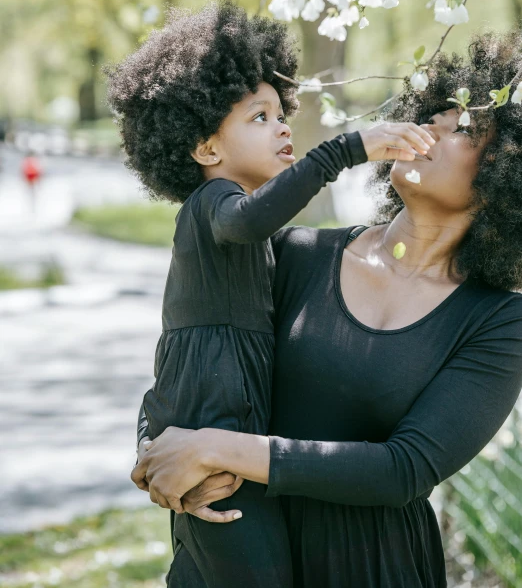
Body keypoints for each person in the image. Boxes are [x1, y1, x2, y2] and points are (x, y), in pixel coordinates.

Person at [133, 29, 522, 588]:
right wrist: (158, 451)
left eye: (461, 130)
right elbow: (192, 355)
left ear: (503, 178)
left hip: (368, 566)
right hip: (242, 540)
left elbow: (403, 470)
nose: (429, 128)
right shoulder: (295, 253)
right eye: (434, 115)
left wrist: (220, 448)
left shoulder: (498, 322)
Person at [107, 0, 435, 588]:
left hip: (236, 438)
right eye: (259, 117)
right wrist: (343, 150)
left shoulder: (265, 241)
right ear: (206, 149)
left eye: (282, 112)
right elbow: (250, 220)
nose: (283, 124)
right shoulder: (214, 209)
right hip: (205, 424)